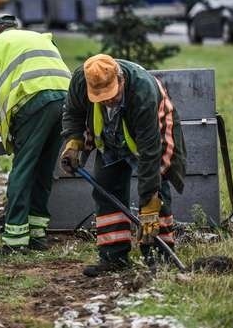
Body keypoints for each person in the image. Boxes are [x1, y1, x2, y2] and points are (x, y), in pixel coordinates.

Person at [60, 53, 186, 277]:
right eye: (99, 97)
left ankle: (159, 257)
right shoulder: (81, 80)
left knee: (158, 193)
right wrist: (74, 142)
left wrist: (149, 201)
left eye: (110, 94)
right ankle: (113, 256)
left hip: (147, 137)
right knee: (106, 192)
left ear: (121, 80)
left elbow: (150, 152)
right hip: (109, 138)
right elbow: (72, 113)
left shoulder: (142, 90)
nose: (107, 100)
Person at [0, 14, 72, 254]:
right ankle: (37, 235)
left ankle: (15, 239)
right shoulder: (40, 37)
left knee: (23, 168)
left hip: (34, 101)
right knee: (44, 168)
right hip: (65, 100)